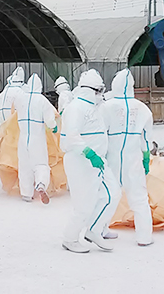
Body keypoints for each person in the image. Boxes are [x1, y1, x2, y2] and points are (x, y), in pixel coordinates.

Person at [60, 69, 120, 254]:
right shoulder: (75, 108)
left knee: (112, 194)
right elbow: (71, 137)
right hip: (80, 161)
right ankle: (69, 238)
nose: (101, 94)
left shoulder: (95, 107)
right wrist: (89, 153)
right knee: (83, 204)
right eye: (98, 90)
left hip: (98, 161)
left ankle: (94, 229)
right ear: (88, 90)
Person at [102, 69, 154, 246]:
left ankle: (100, 229)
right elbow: (146, 138)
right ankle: (144, 236)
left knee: (108, 194)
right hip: (133, 158)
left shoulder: (106, 107)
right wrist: (146, 157)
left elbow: (100, 135)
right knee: (139, 197)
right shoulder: (143, 109)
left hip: (111, 158)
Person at [12, 74, 58, 204]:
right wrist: (54, 127)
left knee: (24, 166)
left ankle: (26, 193)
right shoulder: (42, 100)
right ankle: (41, 184)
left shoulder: (20, 98)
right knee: (41, 164)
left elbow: (14, 110)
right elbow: (49, 119)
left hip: (23, 137)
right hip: (37, 138)